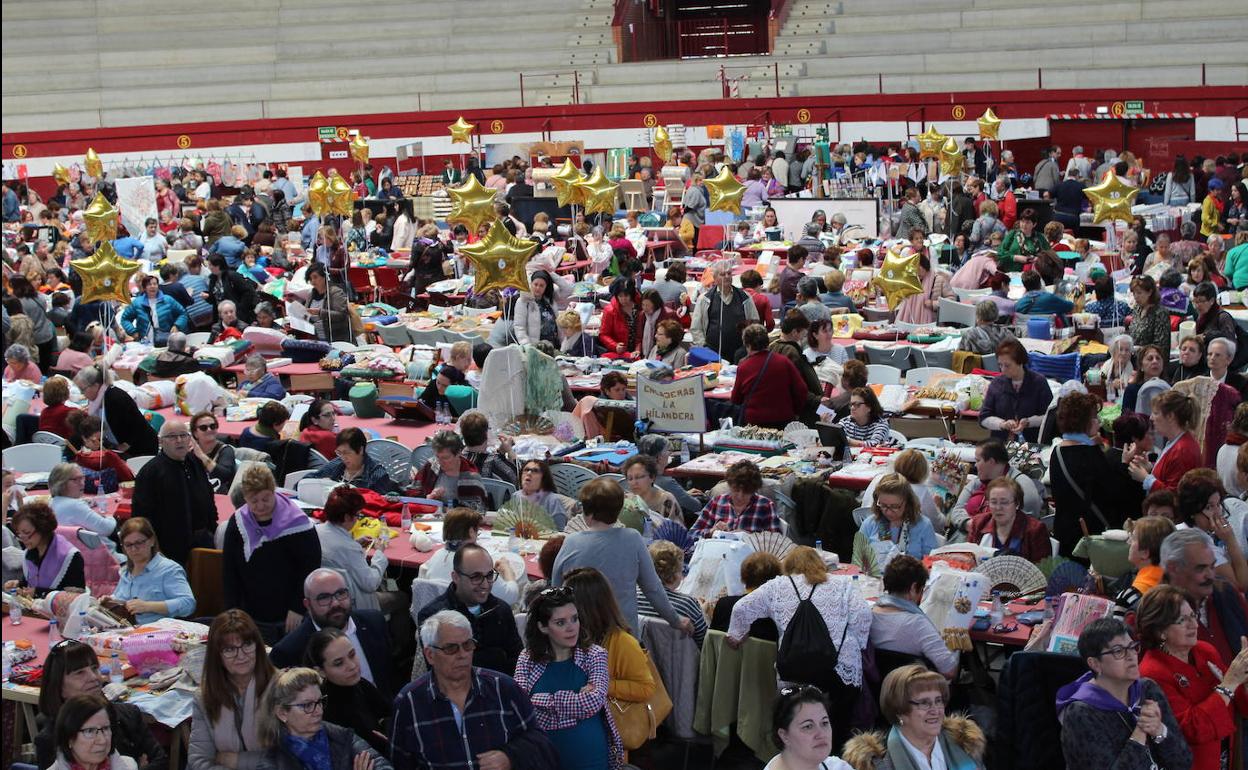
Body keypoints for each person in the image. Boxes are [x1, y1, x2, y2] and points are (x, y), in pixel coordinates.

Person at [728, 546, 871, 744]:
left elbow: (740, 608)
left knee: (797, 722)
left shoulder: (777, 586)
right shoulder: (842, 584)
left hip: (794, 669)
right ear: (820, 564)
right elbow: (862, 615)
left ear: (788, 565)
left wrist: (737, 634)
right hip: (838, 669)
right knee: (839, 723)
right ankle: (834, 758)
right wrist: (857, 641)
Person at [391, 610, 559, 770]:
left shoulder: (504, 689)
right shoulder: (409, 703)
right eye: (451, 648)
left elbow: (543, 746)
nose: (462, 654)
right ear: (429, 655)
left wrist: (510, 757)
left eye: (468, 645)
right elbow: (399, 764)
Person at [1053, 617, 1191, 770]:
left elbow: (1184, 762)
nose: (1131, 656)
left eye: (1132, 647)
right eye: (1119, 651)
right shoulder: (1081, 713)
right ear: (1095, 664)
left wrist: (1160, 731)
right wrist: (1140, 733)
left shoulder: (1147, 689)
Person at [1136, 585, 1248, 770]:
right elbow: (1192, 729)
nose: (1194, 625)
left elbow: (1238, 703)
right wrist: (1230, 682)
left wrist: (1244, 678)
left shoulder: (1205, 651)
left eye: (1193, 616)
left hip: (1226, 755)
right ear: (1159, 631)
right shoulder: (1152, 674)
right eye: (1182, 620)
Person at [513, 586, 623, 770]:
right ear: (543, 627)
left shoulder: (595, 655)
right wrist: (575, 707)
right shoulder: (528, 658)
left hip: (590, 758)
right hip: (542, 758)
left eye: (574, 619)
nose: (571, 628)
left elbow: (592, 703)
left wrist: (540, 701)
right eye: (560, 622)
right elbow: (520, 706)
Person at [223, 464, 321, 644]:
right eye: (253, 500)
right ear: (245, 497)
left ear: (274, 491)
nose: (260, 506)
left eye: (266, 499)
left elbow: (310, 568)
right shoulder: (237, 523)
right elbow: (229, 570)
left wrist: (297, 607)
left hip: (289, 615)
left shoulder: (298, 524)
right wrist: (232, 611)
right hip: (251, 614)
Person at [34, 640, 166, 770]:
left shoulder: (128, 714)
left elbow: (160, 761)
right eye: (80, 673)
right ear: (58, 686)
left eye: (94, 668)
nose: (93, 677)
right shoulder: (49, 739)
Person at [269, 568, 396, 697]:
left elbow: (389, 677)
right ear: (307, 604)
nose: (335, 603)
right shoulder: (289, 650)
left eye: (341, 593)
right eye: (324, 598)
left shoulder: (374, 622)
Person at [417, 542, 524, 675]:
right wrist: (497, 657)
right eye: (476, 577)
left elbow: (519, 663)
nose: (485, 584)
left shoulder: (501, 610)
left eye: (489, 575)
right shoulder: (433, 617)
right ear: (455, 577)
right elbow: (441, 671)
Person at [254, 667, 391, 770]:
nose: (318, 711)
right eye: (307, 705)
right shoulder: (271, 763)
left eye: (319, 702)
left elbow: (382, 765)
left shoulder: (341, 736)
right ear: (282, 713)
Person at [189, 610, 277, 770]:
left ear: (258, 646)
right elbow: (198, 762)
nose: (241, 655)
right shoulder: (204, 697)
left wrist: (237, 761)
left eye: (247, 645)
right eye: (229, 650)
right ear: (217, 656)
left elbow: (288, 758)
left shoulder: (282, 688)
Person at [1160, 528, 1248, 666]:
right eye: (1200, 568)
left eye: (1212, 566)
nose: (1210, 575)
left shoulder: (1225, 592)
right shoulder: (1157, 614)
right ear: (1173, 568)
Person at [304, 628, 391, 755]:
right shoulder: (323, 710)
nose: (352, 666)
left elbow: (389, 713)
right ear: (321, 671)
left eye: (352, 655)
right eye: (339, 663)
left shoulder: (361, 684)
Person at [870, 556, 959, 678]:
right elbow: (949, 671)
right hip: (913, 691)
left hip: (877, 689)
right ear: (913, 588)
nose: (921, 596)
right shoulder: (917, 624)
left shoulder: (869, 614)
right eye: (921, 590)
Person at [419, 507, 523, 606]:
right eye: (477, 531)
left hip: (439, 618)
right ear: (471, 532)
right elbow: (511, 596)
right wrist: (507, 570)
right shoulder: (476, 564)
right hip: (472, 620)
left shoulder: (436, 556)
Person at [104, 517, 194, 623]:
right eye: (128, 545)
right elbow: (123, 599)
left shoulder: (169, 569)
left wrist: (148, 606)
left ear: (152, 541)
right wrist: (111, 601)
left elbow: (188, 604)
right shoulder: (126, 571)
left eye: (139, 543)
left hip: (157, 634)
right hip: (126, 631)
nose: (134, 549)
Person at [313, 487, 389, 612]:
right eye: (358, 515)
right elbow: (370, 583)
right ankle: (382, 630)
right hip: (353, 606)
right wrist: (379, 555)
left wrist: (355, 542)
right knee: (401, 598)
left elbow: (336, 551)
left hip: (322, 601)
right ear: (347, 517)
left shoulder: (315, 532)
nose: (358, 519)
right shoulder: (348, 547)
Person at [1175, 471, 1248, 590]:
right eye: (1209, 507)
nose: (1218, 512)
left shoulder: (1180, 529)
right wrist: (1231, 540)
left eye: (1218, 504)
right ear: (1192, 510)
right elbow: (1241, 585)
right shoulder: (1202, 546)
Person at [1126, 390, 1202, 495]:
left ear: (1170, 416)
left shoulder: (1182, 450)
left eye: (1156, 413)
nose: (1151, 417)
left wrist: (1146, 479)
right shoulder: (1176, 442)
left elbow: (1174, 495)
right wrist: (1150, 469)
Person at [73, 364, 158, 457]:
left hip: (141, 448)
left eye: (83, 389)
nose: (81, 393)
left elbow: (137, 426)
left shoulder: (115, 398)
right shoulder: (97, 400)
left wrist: (124, 447)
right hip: (120, 445)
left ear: (96, 385)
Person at [854, 474, 938, 566]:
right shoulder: (869, 524)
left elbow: (932, 564)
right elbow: (857, 563)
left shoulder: (923, 526)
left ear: (908, 502)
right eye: (883, 505)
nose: (888, 512)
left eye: (895, 506)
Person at [732, 323, 807, 427]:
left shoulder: (743, 366)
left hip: (754, 424)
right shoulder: (784, 362)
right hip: (784, 420)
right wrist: (795, 411)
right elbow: (801, 390)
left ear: (747, 345)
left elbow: (736, 399)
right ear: (767, 342)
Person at [979, 339, 1053, 442]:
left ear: (1020, 362)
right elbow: (983, 417)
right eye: (1000, 365)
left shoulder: (1038, 382)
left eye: (1007, 365)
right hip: (1001, 445)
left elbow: (1050, 416)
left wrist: (1029, 422)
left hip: (1033, 443)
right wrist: (1002, 424)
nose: (1003, 369)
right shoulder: (996, 384)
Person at [4, 501, 84, 597]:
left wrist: (38, 593)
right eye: (19, 534)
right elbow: (32, 583)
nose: (22, 539)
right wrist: (19, 585)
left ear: (42, 528)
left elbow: (75, 596)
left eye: (26, 532)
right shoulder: (30, 553)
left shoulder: (70, 556)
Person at [636, 540, 708, 646]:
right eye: (681, 570)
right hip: (676, 660)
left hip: (639, 654)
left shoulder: (633, 596)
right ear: (675, 574)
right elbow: (704, 643)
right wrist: (703, 612)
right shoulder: (688, 604)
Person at [765, 686, 854, 770]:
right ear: (784, 736)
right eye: (808, 726)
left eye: (824, 723)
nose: (821, 734)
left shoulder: (837, 766)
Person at [966, 476, 1052, 562]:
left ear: (1017, 504)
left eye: (1004, 502)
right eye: (993, 502)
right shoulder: (978, 523)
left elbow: (1043, 570)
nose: (998, 507)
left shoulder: (1035, 530)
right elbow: (968, 559)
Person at [689, 460, 782, 539]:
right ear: (729, 486)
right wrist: (711, 532)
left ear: (754, 490)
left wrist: (749, 537)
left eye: (746, 492)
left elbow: (776, 541)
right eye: (736, 490)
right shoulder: (717, 502)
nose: (740, 496)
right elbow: (691, 534)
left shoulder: (765, 505)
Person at [47, 695, 140, 770]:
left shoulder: (129, 766)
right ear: (69, 738)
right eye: (90, 731)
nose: (102, 740)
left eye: (106, 728)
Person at [691, 260, 759, 359]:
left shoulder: (745, 297)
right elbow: (696, 328)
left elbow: (755, 323)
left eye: (729, 273)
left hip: (741, 353)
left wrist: (749, 347)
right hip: (712, 353)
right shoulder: (704, 299)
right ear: (714, 278)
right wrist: (705, 348)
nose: (727, 276)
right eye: (722, 274)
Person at [1114, 515, 1178, 618]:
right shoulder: (1182, 588)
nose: (1128, 542)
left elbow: (1120, 633)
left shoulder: (1128, 597)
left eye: (1133, 538)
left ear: (1144, 553)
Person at [711, 551, 782, 641]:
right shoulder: (778, 613)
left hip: (726, 655)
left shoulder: (724, 604)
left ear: (744, 575)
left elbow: (712, 643)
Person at [309, 427, 399, 496]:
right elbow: (304, 482)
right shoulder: (337, 464)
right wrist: (320, 484)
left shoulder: (377, 475)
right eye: (339, 452)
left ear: (360, 450)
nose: (343, 457)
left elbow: (380, 504)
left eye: (347, 453)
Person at [409, 430, 486, 510]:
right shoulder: (432, 466)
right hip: (429, 517)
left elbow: (477, 511)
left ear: (459, 453)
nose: (440, 462)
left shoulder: (471, 477)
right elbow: (413, 493)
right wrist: (428, 498)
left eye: (445, 458)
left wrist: (447, 510)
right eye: (437, 456)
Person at [47, 462, 117, 536]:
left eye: (82, 478)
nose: (82, 483)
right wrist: (111, 517)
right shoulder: (75, 506)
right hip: (88, 547)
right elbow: (107, 529)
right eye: (75, 480)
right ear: (61, 483)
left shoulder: (52, 502)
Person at [119, 275, 190, 345]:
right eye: (149, 284)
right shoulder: (137, 303)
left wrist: (177, 326)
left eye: (155, 284)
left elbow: (183, 313)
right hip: (145, 342)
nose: (152, 286)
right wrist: (133, 332)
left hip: (167, 340)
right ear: (144, 288)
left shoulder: (168, 300)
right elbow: (125, 319)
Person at [66, 413, 134, 484]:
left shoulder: (103, 443)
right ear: (84, 438)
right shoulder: (74, 443)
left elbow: (116, 453)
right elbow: (69, 462)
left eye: (102, 439)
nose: (100, 443)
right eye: (95, 440)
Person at [895, 252, 952, 325]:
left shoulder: (939, 280)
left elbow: (951, 301)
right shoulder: (911, 281)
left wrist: (933, 304)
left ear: (925, 266)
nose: (916, 272)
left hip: (934, 324)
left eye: (918, 268)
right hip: (911, 321)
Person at [303, 262, 352, 343]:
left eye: (315, 277)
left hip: (336, 338)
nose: (313, 281)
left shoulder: (335, 292)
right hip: (317, 338)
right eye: (310, 279)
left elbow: (342, 315)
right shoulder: (311, 294)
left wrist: (320, 312)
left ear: (324, 277)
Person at [622, 454, 680, 523]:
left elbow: (678, 530)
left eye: (639, 477)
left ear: (652, 477)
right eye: (630, 479)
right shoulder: (627, 502)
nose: (634, 482)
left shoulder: (667, 500)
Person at [188, 411, 237, 490]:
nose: (209, 430)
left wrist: (201, 456)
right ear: (195, 433)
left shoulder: (226, 450)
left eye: (213, 426)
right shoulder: (189, 451)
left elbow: (224, 476)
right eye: (203, 428)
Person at [515, 269, 561, 347]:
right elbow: (519, 326)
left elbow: (568, 289)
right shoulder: (523, 301)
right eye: (535, 284)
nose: (538, 288)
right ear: (531, 284)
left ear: (546, 287)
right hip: (535, 346)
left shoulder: (550, 301)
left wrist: (551, 273)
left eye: (541, 285)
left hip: (553, 345)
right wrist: (527, 345)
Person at [598, 278, 644, 357]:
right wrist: (615, 346)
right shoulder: (610, 311)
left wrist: (638, 349)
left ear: (631, 294)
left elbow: (640, 334)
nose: (623, 299)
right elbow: (603, 334)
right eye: (620, 296)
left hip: (640, 352)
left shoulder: (640, 306)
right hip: (620, 354)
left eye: (626, 295)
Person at [1129, 275, 1171, 357]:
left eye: (1139, 293)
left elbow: (1161, 346)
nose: (1135, 296)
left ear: (1150, 292)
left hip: (1152, 360)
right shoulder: (1137, 309)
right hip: (1134, 356)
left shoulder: (1160, 313)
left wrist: (1140, 349)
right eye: (1134, 293)